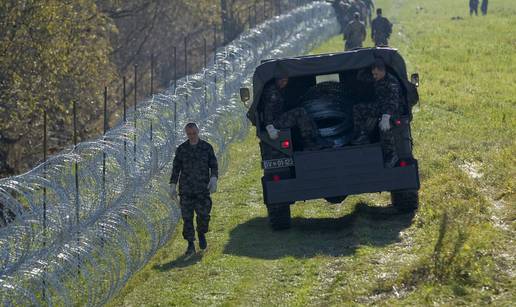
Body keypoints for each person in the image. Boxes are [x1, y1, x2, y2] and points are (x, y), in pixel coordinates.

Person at [169, 122, 218, 259]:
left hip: (202, 189)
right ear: (186, 134)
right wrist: (172, 184)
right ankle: (190, 244)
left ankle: (201, 232)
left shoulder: (206, 148)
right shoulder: (182, 149)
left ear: (198, 131)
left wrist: (214, 178)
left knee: (203, 216)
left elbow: (213, 165)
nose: (192, 136)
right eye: (189, 134)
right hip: (186, 190)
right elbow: (176, 169)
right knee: (187, 218)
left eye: (194, 133)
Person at [351, 60, 402, 168]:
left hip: (392, 112)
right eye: (373, 74)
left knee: (384, 128)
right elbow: (360, 77)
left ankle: (391, 155)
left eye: (376, 74)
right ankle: (362, 136)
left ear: (382, 71)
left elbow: (394, 102)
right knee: (358, 108)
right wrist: (364, 62)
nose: (374, 76)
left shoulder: (391, 82)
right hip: (380, 107)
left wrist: (386, 116)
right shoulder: (378, 78)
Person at [262, 69, 321, 149]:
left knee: (304, 113)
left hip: (278, 119)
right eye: (282, 81)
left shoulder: (278, 89)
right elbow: (268, 110)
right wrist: (270, 127)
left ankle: (315, 137)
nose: (284, 83)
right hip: (274, 123)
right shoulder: (273, 93)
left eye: (285, 81)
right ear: (277, 80)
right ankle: (309, 141)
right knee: (300, 112)